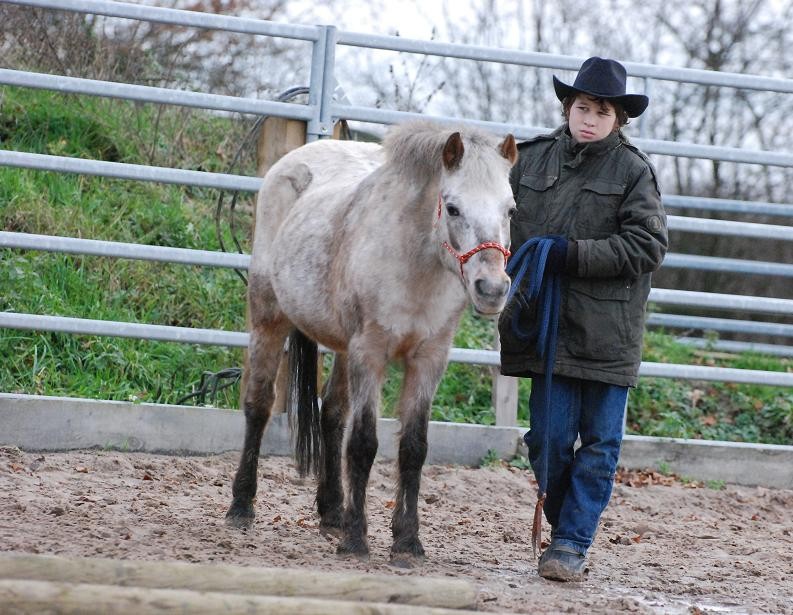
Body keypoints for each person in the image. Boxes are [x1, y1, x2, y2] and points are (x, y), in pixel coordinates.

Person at [498, 56, 668, 582]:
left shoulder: (633, 171)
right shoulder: (528, 161)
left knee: (599, 444)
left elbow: (647, 244)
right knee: (547, 440)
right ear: (568, 108)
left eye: (602, 111)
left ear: (619, 119)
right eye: (582, 107)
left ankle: (570, 541)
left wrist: (570, 254)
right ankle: (567, 524)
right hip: (545, 326)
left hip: (607, 331)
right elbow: (494, 223)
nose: (590, 118)